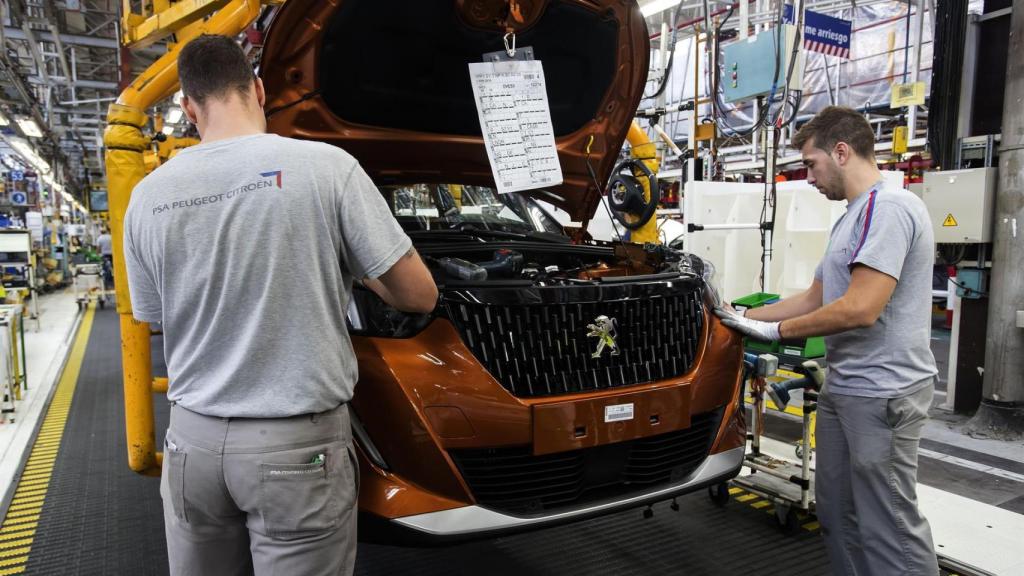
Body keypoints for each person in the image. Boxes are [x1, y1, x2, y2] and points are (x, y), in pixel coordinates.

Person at [123, 35, 437, 576]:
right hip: (294, 450)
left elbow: (154, 314)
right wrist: (353, 273)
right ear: (260, 90)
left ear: (188, 107)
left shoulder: (148, 196)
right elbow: (419, 294)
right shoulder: (327, 168)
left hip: (191, 445)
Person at [715, 106, 938, 576]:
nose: (809, 177)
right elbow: (817, 295)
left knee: (889, 525)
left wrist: (773, 334)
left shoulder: (890, 209)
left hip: (884, 394)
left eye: (812, 164)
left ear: (841, 152)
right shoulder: (852, 216)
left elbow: (860, 308)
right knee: (838, 513)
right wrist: (739, 315)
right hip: (847, 386)